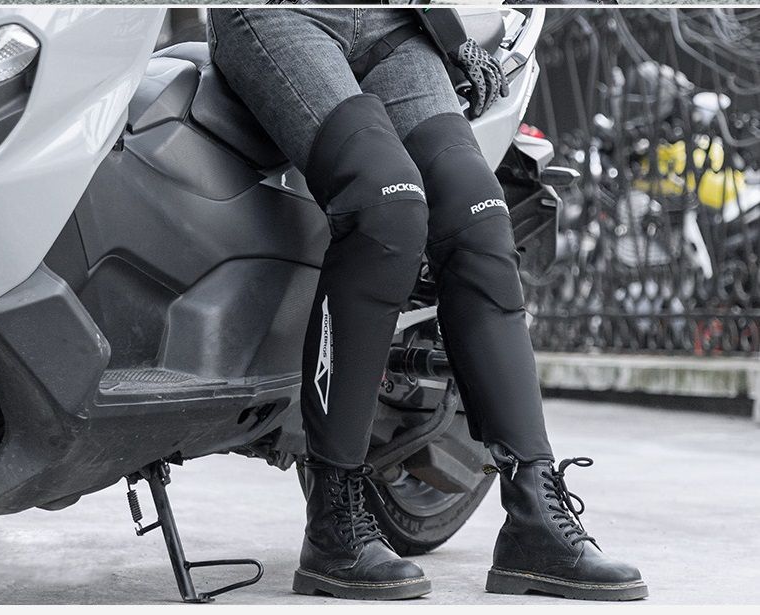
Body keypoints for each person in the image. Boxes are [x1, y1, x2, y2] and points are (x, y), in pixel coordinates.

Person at [207, 2, 647, 602]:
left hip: (397, 22)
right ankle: (334, 521)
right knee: (385, 205)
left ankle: (534, 516)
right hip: (283, 18)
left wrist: (453, 30)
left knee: (479, 220)